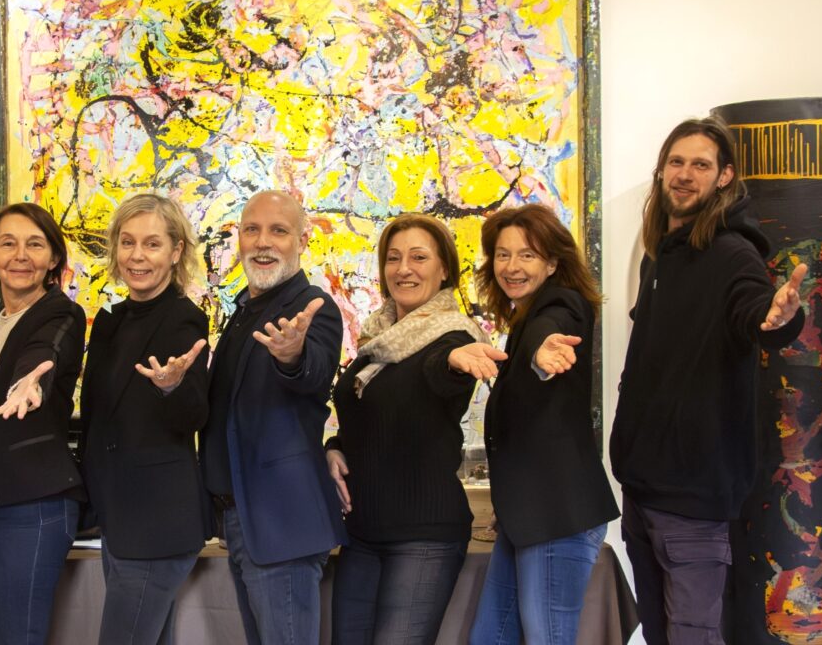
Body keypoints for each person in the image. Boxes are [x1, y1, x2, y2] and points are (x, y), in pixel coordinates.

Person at [610, 116, 807, 645]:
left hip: (693, 501)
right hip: (643, 490)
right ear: (661, 171)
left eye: (700, 164)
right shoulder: (663, 255)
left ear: (724, 177)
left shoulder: (731, 252)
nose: (685, 174)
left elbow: (756, 310)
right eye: (676, 162)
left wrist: (778, 318)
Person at [325, 213, 507, 645]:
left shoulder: (453, 337)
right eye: (394, 258)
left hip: (423, 537)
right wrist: (334, 448)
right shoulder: (378, 340)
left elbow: (439, 370)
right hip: (363, 533)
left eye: (419, 257)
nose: (404, 268)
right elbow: (369, 417)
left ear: (444, 269)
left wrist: (453, 362)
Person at [198, 189, 346, 645]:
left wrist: (292, 356)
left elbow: (314, 373)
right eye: (252, 230)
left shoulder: (313, 308)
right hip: (241, 520)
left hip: (281, 524)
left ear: (302, 241)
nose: (263, 242)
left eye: (278, 231)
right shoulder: (243, 310)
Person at [468, 204, 620, 645]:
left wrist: (540, 352)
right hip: (528, 516)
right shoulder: (525, 317)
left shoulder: (559, 304)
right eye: (503, 254)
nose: (511, 267)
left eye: (527, 255)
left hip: (557, 514)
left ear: (553, 263)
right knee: (490, 638)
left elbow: (553, 327)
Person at [79, 193, 210, 644]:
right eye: (128, 242)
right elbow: (99, 420)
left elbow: (194, 413)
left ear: (176, 252)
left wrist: (171, 386)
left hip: (158, 523)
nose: (137, 255)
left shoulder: (184, 319)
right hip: (118, 518)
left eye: (152, 244)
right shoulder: (111, 321)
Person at [0, 202, 87, 645]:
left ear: (53, 259)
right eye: (8, 244)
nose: (20, 255)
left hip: (34, 506)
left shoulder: (60, 312)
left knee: (19, 637)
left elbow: (45, 351)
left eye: (35, 244)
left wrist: (29, 383)